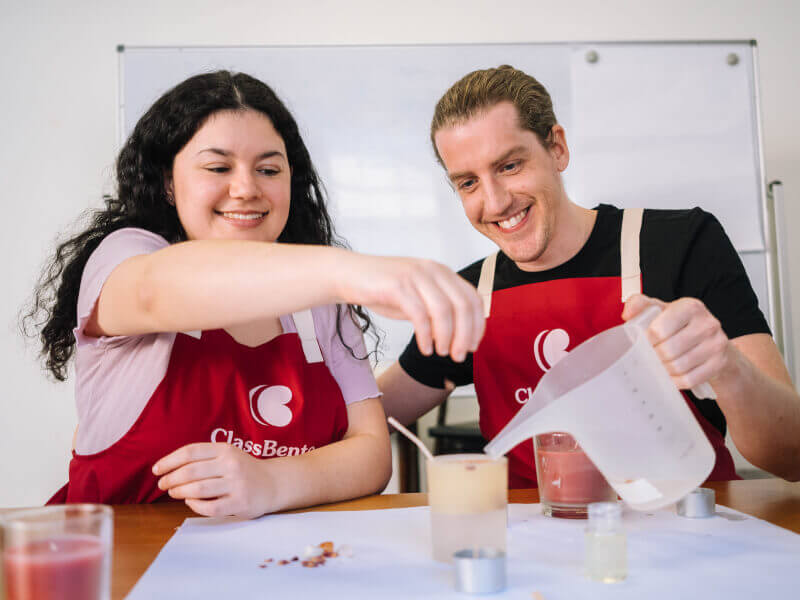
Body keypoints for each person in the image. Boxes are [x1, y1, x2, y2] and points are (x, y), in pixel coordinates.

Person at [26, 71, 485, 518]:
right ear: (168, 182)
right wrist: (351, 272)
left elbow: (371, 454)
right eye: (218, 167)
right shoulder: (127, 256)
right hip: (122, 559)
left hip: (283, 558)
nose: (246, 189)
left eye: (268, 169)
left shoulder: (319, 298)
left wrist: (270, 482)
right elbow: (152, 292)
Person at [379, 65, 800, 488]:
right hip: (533, 527)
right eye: (469, 183)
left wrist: (728, 369)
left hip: (684, 519)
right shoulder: (468, 296)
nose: (495, 202)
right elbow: (370, 417)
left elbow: (791, 456)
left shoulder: (680, 245)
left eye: (509, 166)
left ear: (557, 149)